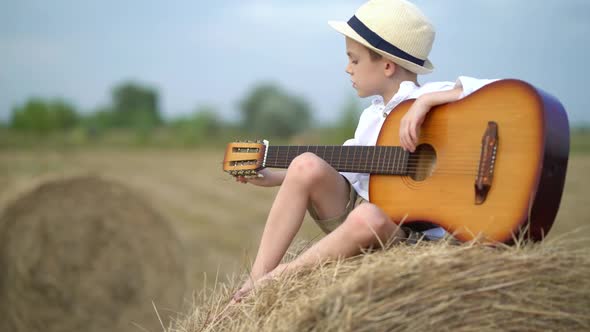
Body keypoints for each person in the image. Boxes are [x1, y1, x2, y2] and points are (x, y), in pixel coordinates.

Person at [230, 0, 496, 303]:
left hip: (416, 241)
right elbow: (344, 170)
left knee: (368, 216)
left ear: (386, 64)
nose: (347, 68)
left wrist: (428, 101)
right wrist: (276, 176)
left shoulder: (433, 100)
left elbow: (501, 89)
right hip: (369, 225)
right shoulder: (372, 117)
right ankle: (253, 284)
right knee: (305, 164)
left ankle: (282, 276)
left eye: (353, 59)